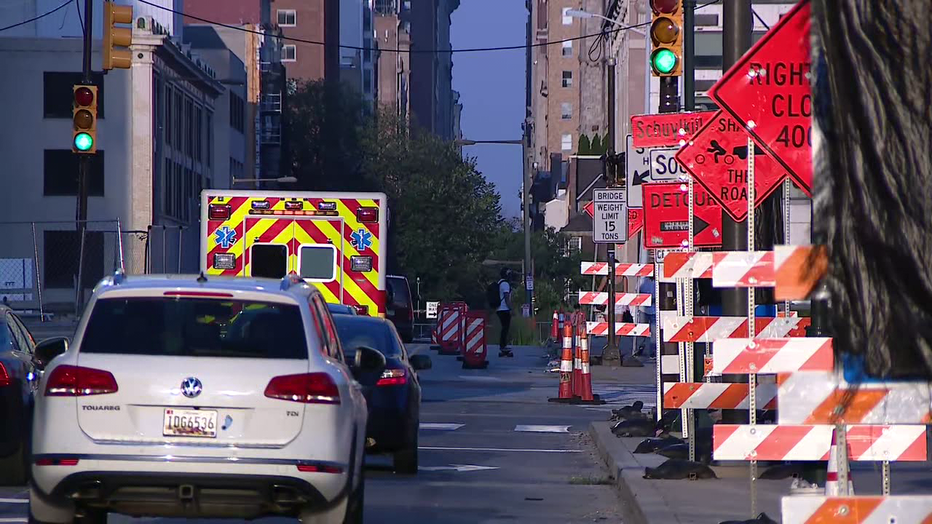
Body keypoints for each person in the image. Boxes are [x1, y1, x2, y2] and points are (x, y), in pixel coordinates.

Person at [636, 276, 655, 359]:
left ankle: (653, 352)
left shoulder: (659, 279)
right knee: (641, 330)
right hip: (643, 309)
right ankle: (639, 348)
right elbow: (637, 292)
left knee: (654, 332)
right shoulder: (642, 280)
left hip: (655, 310)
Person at [497, 268, 513, 357]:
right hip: (504, 309)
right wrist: (511, 309)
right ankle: (503, 346)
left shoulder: (499, 283)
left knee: (504, 328)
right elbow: (507, 298)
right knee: (505, 328)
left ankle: (503, 345)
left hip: (499, 309)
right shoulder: (505, 284)